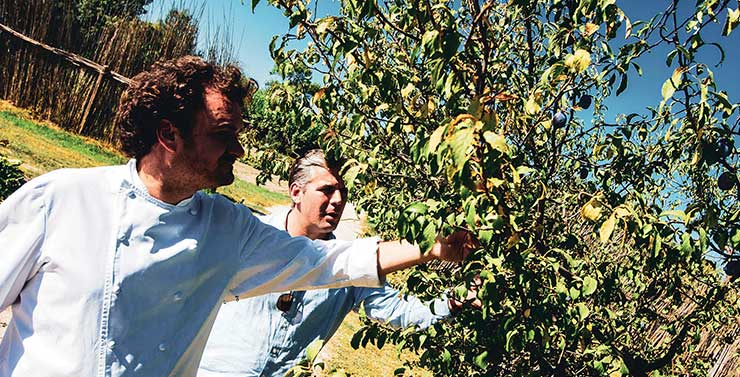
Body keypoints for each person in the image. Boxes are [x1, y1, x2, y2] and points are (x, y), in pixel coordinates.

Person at [0, 56, 476, 377]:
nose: (239, 149)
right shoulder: (61, 198)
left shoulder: (230, 228)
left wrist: (430, 248)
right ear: (169, 133)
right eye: (223, 134)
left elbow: (328, 263)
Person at [198, 150, 470, 377]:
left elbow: (400, 311)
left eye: (343, 191)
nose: (338, 200)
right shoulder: (253, 234)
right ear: (296, 192)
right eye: (327, 190)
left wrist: (456, 299)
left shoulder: (350, 265)